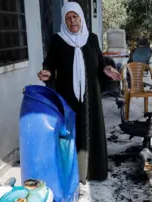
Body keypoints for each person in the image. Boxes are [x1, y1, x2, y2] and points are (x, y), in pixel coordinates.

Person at [37, 2, 121, 184]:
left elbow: (99, 62)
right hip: (68, 96)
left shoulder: (91, 38)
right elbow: (50, 63)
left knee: (91, 130)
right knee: (71, 132)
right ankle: (73, 174)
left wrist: (106, 68)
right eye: (68, 18)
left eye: (75, 16)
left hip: (91, 96)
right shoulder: (58, 40)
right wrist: (47, 72)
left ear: (81, 18)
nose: (72, 21)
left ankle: (94, 172)